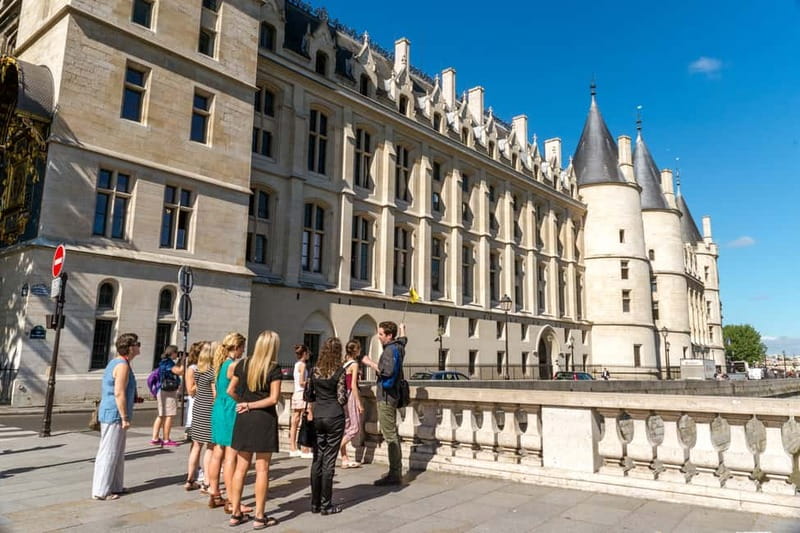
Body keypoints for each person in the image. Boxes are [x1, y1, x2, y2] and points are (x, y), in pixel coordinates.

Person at [225, 330, 283, 528]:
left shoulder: (243, 364)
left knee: (241, 468)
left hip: (244, 419)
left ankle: (235, 513)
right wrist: (251, 405)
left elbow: (230, 390)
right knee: (262, 469)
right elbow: (273, 399)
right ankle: (259, 516)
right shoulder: (273, 368)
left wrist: (243, 403)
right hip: (263, 418)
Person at [207, 333, 252, 514]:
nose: (243, 351)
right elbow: (232, 389)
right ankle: (233, 501)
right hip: (229, 408)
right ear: (237, 347)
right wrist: (243, 400)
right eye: (242, 347)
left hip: (219, 407)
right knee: (231, 457)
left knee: (218, 451)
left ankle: (214, 492)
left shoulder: (220, 363)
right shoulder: (233, 365)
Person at [91, 333, 140, 500]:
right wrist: (124, 417)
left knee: (117, 452)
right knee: (109, 452)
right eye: (137, 344)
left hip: (113, 410)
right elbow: (119, 392)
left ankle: (116, 486)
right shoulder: (122, 365)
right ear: (130, 348)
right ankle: (101, 490)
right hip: (114, 412)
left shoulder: (117, 362)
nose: (139, 347)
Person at [360, 321, 407, 486]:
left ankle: (395, 473)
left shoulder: (388, 351)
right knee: (392, 433)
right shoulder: (398, 347)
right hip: (394, 395)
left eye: (381, 334)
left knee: (390, 435)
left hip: (386, 397)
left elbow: (386, 372)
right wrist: (402, 329)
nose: (379, 337)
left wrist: (369, 362)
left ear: (389, 335)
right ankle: (395, 470)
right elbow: (404, 341)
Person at [306, 337, 348, 514]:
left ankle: (315, 503)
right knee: (329, 460)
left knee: (317, 458)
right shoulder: (339, 371)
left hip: (318, 415)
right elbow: (342, 398)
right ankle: (326, 504)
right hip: (334, 415)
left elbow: (308, 395)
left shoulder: (314, 371)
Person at [184, 341, 211, 491]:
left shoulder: (203, 369)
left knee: (197, 445)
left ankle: (193, 477)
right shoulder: (193, 369)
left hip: (200, 407)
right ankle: (195, 476)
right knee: (201, 445)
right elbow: (190, 390)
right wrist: (203, 382)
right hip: (198, 407)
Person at [151, 345, 183, 447]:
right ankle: (166, 439)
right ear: (172, 353)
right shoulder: (168, 363)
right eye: (176, 353)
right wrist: (183, 362)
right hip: (168, 391)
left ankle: (155, 438)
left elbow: (174, 369)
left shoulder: (164, 361)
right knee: (169, 415)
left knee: (161, 414)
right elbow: (179, 371)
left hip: (162, 390)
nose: (177, 355)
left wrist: (179, 361)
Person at [340, 339, 364, 468]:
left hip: (343, 396)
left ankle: (344, 458)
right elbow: (353, 385)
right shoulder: (354, 364)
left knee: (346, 426)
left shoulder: (343, 363)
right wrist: (359, 403)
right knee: (355, 427)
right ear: (356, 350)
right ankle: (334, 449)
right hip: (351, 396)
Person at [289, 344, 312, 458]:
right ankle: (304, 448)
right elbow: (302, 382)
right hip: (302, 393)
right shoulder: (302, 365)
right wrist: (310, 382)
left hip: (296, 393)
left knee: (295, 420)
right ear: (304, 354)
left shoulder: (297, 364)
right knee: (306, 419)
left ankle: (293, 447)